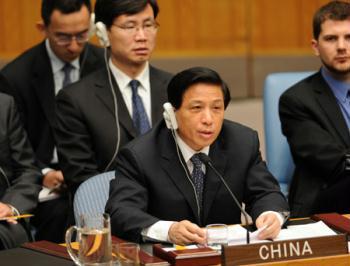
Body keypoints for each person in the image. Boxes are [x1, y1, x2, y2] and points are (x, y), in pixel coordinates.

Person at [106, 67, 289, 245]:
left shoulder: (241, 142)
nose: (208, 119)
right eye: (196, 108)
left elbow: (266, 193)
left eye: (217, 108)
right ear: (172, 113)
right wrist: (168, 231)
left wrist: (270, 215)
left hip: (227, 255)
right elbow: (121, 212)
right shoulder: (140, 155)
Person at [0, 0, 104, 242]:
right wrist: (44, 172)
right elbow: (17, 145)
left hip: (94, 172)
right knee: (59, 215)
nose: (74, 45)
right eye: (63, 37)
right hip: (46, 182)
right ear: (43, 28)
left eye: (82, 35)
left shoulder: (106, 65)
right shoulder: (16, 76)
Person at [55, 0, 172, 193]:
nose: (142, 36)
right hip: (109, 212)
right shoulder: (75, 99)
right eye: (129, 26)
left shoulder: (176, 89)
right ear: (102, 33)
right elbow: (81, 178)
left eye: (148, 25)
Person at [279, 1, 350, 217]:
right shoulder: (296, 100)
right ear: (315, 47)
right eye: (331, 38)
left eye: (348, 37)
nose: (341, 46)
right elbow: (334, 163)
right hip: (325, 199)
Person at [0, 91, 42, 250]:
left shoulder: (4, 105)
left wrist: (10, 206)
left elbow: (27, 170)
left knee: (16, 235)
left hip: (2, 216)